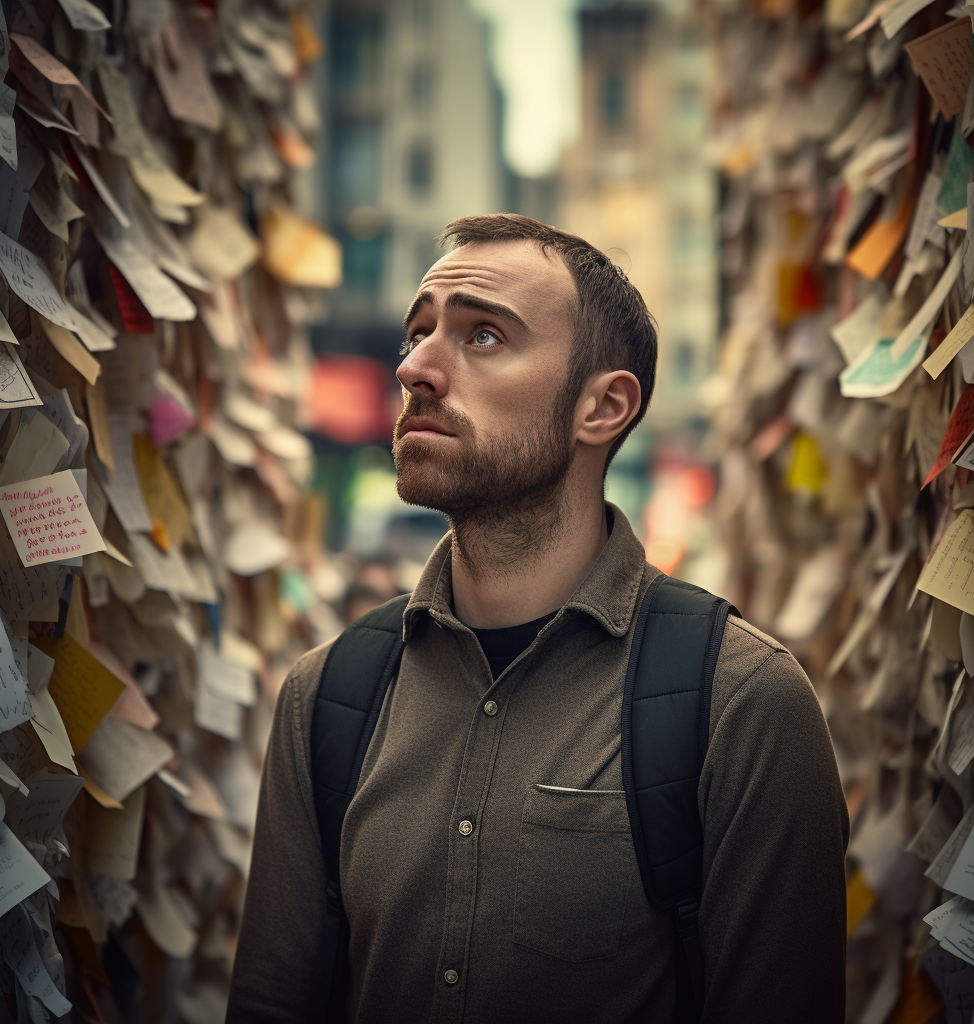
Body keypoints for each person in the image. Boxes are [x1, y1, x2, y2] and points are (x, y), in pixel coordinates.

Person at [226, 215, 849, 1024]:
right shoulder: (326, 696)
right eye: (418, 333)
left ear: (603, 406)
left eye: (482, 336)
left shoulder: (741, 703)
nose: (416, 367)